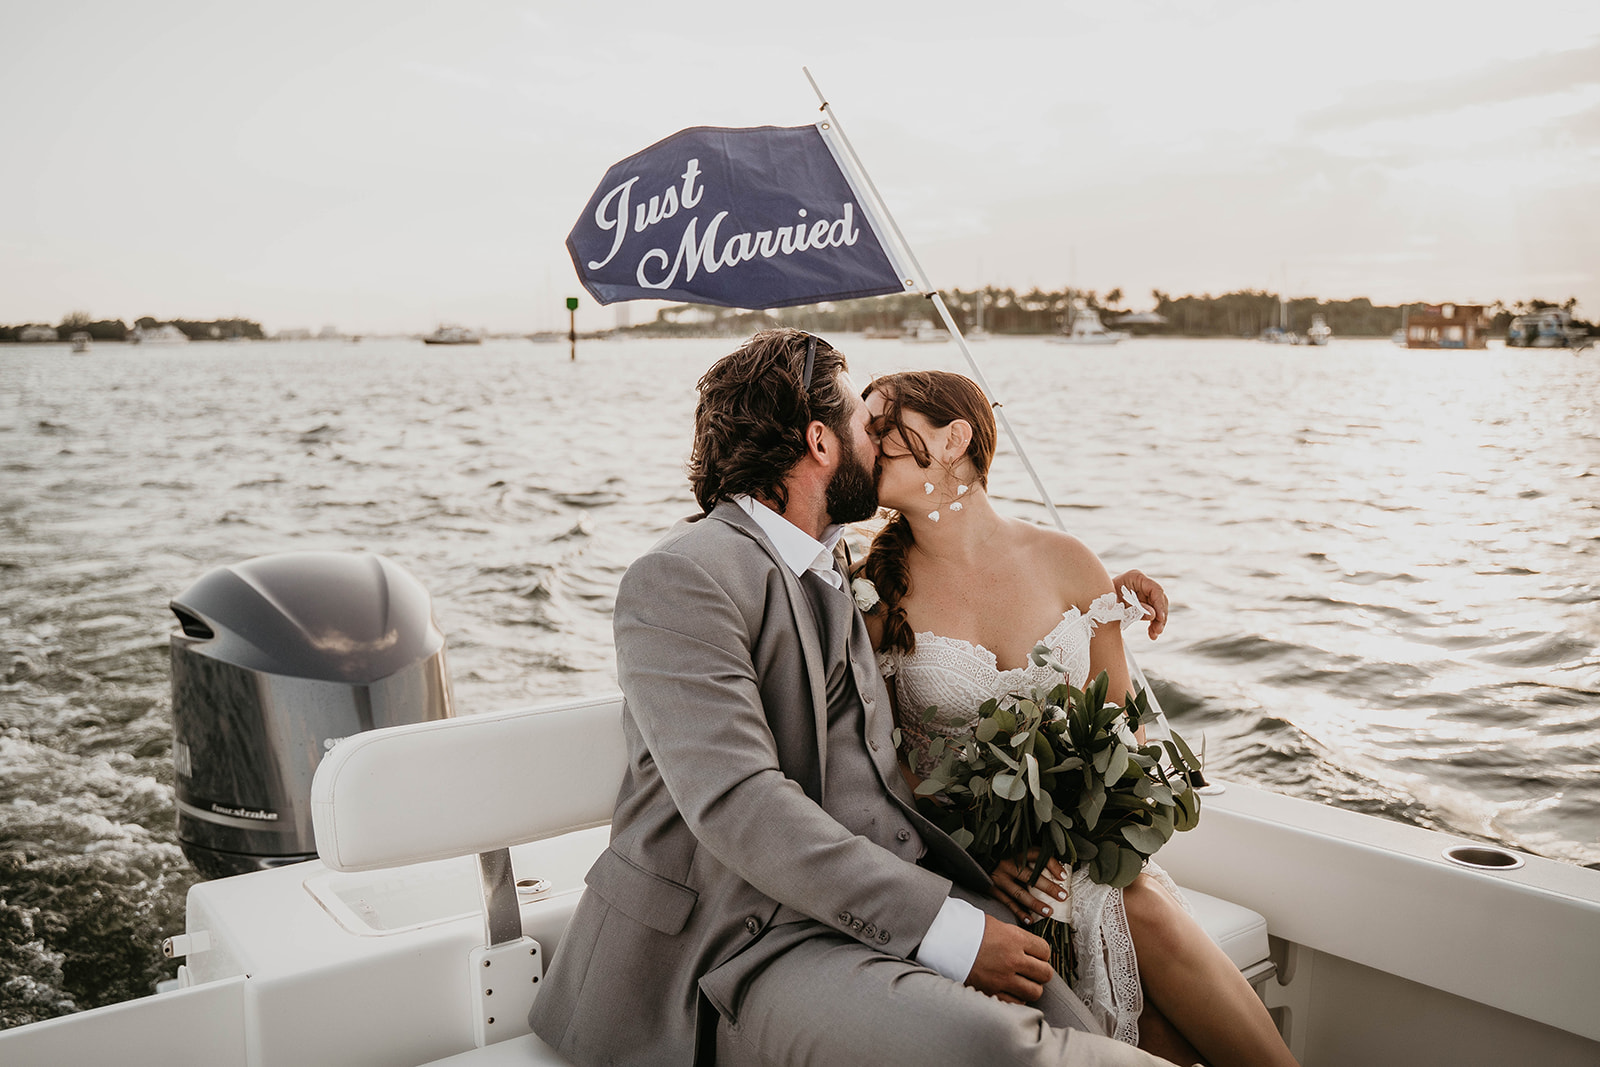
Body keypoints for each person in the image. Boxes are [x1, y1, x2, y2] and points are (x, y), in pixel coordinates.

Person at [530, 329, 1182, 1066]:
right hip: (735, 947)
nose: (877, 442)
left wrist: (1095, 604)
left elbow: (896, 746)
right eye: (861, 425)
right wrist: (950, 931)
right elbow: (740, 802)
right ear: (819, 441)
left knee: (1066, 1009)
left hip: (862, 907)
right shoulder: (684, 575)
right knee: (993, 1043)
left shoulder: (838, 566)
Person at [856, 369, 1298, 1067]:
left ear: (953, 438)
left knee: (1130, 900)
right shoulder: (876, 596)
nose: (866, 437)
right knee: (1134, 922)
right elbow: (882, 765)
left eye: (883, 422)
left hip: (1083, 852)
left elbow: (1123, 735)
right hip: (969, 865)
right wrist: (980, 850)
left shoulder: (1067, 562)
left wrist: (1065, 841)